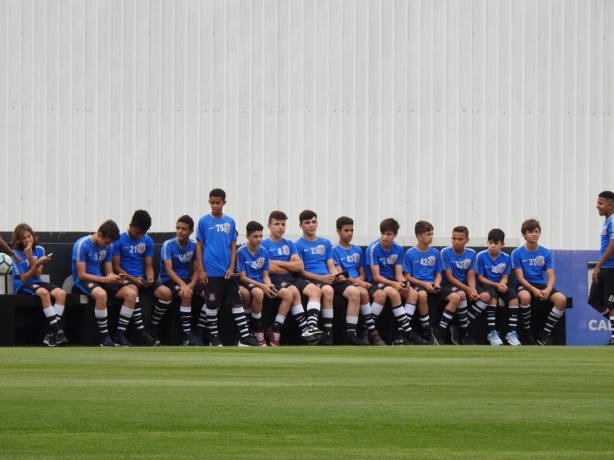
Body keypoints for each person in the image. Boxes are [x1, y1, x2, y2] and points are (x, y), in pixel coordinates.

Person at [195, 188, 262, 346]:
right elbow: (199, 246)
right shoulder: (203, 221)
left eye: (218, 202)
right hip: (211, 270)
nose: (215, 205)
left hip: (227, 271)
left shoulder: (230, 222)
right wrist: (201, 270)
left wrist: (232, 267)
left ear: (224, 203)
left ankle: (244, 337)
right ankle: (213, 337)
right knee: (212, 303)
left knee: (237, 301)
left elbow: (233, 247)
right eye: (212, 202)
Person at [295, 210, 364, 345]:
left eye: (314, 222)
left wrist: (336, 275)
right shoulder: (298, 244)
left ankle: (351, 334)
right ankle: (328, 334)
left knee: (354, 292)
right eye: (307, 222)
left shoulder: (326, 243)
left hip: (328, 278)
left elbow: (331, 265)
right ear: (300, 225)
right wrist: (321, 278)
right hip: (313, 279)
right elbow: (301, 272)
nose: (311, 225)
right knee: (327, 290)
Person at [260, 210, 323, 345]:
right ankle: (305, 330)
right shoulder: (264, 245)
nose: (280, 227)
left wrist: (277, 262)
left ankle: (311, 326)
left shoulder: (289, 243)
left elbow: (299, 267)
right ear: (269, 225)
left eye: (283, 224)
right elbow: (268, 268)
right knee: (293, 290)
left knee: (316, 291)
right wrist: (289, 264)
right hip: (276, 279)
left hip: (292, 277)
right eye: (277, 224)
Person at [71, 219, 135, 347]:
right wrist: (106, 279)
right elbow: (81, 274)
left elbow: (108, 272)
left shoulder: (109, 246)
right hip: (83, 281)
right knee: (101, 295)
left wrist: (117, 278)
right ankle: (105, 337)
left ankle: (119, 335)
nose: (107, 246)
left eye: (109, 243)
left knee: (131, 294)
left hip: (101, 279)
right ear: (99, 234)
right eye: (106, 242)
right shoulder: (82, 244)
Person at [365, 218, 427, 345]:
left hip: (391, 280)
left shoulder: (398, 248)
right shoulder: (373, 248)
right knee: (394, 293)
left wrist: (405, 283)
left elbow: (399, 274)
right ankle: (409, 332)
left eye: (388, 234)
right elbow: (376, 276)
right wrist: (394, 284)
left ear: (395, 235)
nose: (385, 237)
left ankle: (400, 335)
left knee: (413, 294)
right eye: (383, 233)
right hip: (375, 281)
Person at [112, 210, 167, 346]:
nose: (140, 236)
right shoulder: (118, 240)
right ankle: (142, 334)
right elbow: (116, 267)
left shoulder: (147, 241)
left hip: (140, 279)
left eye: (143, 233)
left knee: (166, 294)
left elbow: (148, 265)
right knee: (133, 291)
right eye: (137, 232)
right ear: (130, 226)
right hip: (124, 279)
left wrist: (150, 277)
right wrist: (133, 279)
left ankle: (152, 327)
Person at [238, 221, 297, 346]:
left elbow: (265, 275)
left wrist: (269, 286)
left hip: (261, 282)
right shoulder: (241, 252)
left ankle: (275, 329)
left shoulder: (264, 251)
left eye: (260, 236)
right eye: (255, 236)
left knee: (288, 294)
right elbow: (243, 278)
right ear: (247, 237)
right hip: (248, 282)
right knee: (259, 293)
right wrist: (263, 286)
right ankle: (256, 329)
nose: (259, 239)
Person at [10, 223, 67, 347]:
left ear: (33, 236)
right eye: (24, 238)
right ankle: (58, 331)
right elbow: (24, 278)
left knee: (61, 294)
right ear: (19, 240)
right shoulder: (15, 253)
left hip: (37, 281)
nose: (27, 240)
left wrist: (31, 257)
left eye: (29, 236)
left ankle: (52, 335)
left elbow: (37, 275)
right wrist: (33, 260)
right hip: (22, 284)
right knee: (43, 293)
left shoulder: (39, 250)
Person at [512, 219, 567, 345]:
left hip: (540, 284)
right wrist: (534, 290)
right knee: (525, 297)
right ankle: (527, 333)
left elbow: (551, 277)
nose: (534, 234)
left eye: (536, 231)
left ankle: (545, 334)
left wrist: (547, 290)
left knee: (561, 300)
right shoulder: (517, 253)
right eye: (531, 232)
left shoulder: (545, 252)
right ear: (524, 234)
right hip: (524, 285)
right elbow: (520, 278)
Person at [332, 216, 385, 345]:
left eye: (351, 230)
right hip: (347, 283)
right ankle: (370, 332)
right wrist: (359, 283)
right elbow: (341, 275)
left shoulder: (357, 250)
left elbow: (362, 273)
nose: (350, 233)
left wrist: (361, 280)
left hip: (359, 282)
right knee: (362, 292)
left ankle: (366, 331)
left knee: (381, 295)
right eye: (346, 230)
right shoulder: (334, 250)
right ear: (338, 231)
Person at [159, 215, 205, 346]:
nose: (180, 231)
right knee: (186, 294)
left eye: (184, 229)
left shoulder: (194, 246)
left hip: (187, 280)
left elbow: (197, 270)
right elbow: (168, 270)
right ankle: (187, 334)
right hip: (169, 279)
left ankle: (200, 331)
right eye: (178, 228)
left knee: (210, 298)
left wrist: (191, 284)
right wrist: (184, 286)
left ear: (190, 231)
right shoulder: (168, 244)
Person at [474, 229, 521, 346]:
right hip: (486, 285)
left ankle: (511, 333)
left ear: (502, 245)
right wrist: (496, 285)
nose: (492, 246)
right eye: (490, 242)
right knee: (492, 297)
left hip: (499, 285)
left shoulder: (506, 257)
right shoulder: (481, 256)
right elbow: (480, 278)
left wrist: (503, 284)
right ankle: (491, 332)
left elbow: (505, 276)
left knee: (514, 298)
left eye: (496, 243)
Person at [401, 220, 443, 345]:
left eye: (432, 234)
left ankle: (443, 330)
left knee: (457, 296)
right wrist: (424, 284)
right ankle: (427, 332)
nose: (431, 237)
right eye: (428, 234)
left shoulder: (435, 252)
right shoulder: (410, 253)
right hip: (418, 286)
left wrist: (437, 283)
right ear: (419, 236)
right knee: (422, 295)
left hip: (433, 286)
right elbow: (407, 276)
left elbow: (439, 273)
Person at [440, 226, 480, 345]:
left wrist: (472, 290)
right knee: (461, 294)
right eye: (454, 238)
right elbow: (449, 277)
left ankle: (460, 326)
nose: (456, 241)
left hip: (464, 286)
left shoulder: (472, 253)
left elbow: (471, 276)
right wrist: (467, 289)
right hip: (448, 285)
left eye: (460, 239)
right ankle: (463, 333)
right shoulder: (445, 252)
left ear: (467, 240)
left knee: (486, 298)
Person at [588, 191, 614, 345]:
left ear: (611, 205)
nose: (597, 206)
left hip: (611, 268)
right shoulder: (607, 221)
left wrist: (598, 265)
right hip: (605, 267)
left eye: (601, 203)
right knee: (594, 300)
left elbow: (613, 245)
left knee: (611, 303)